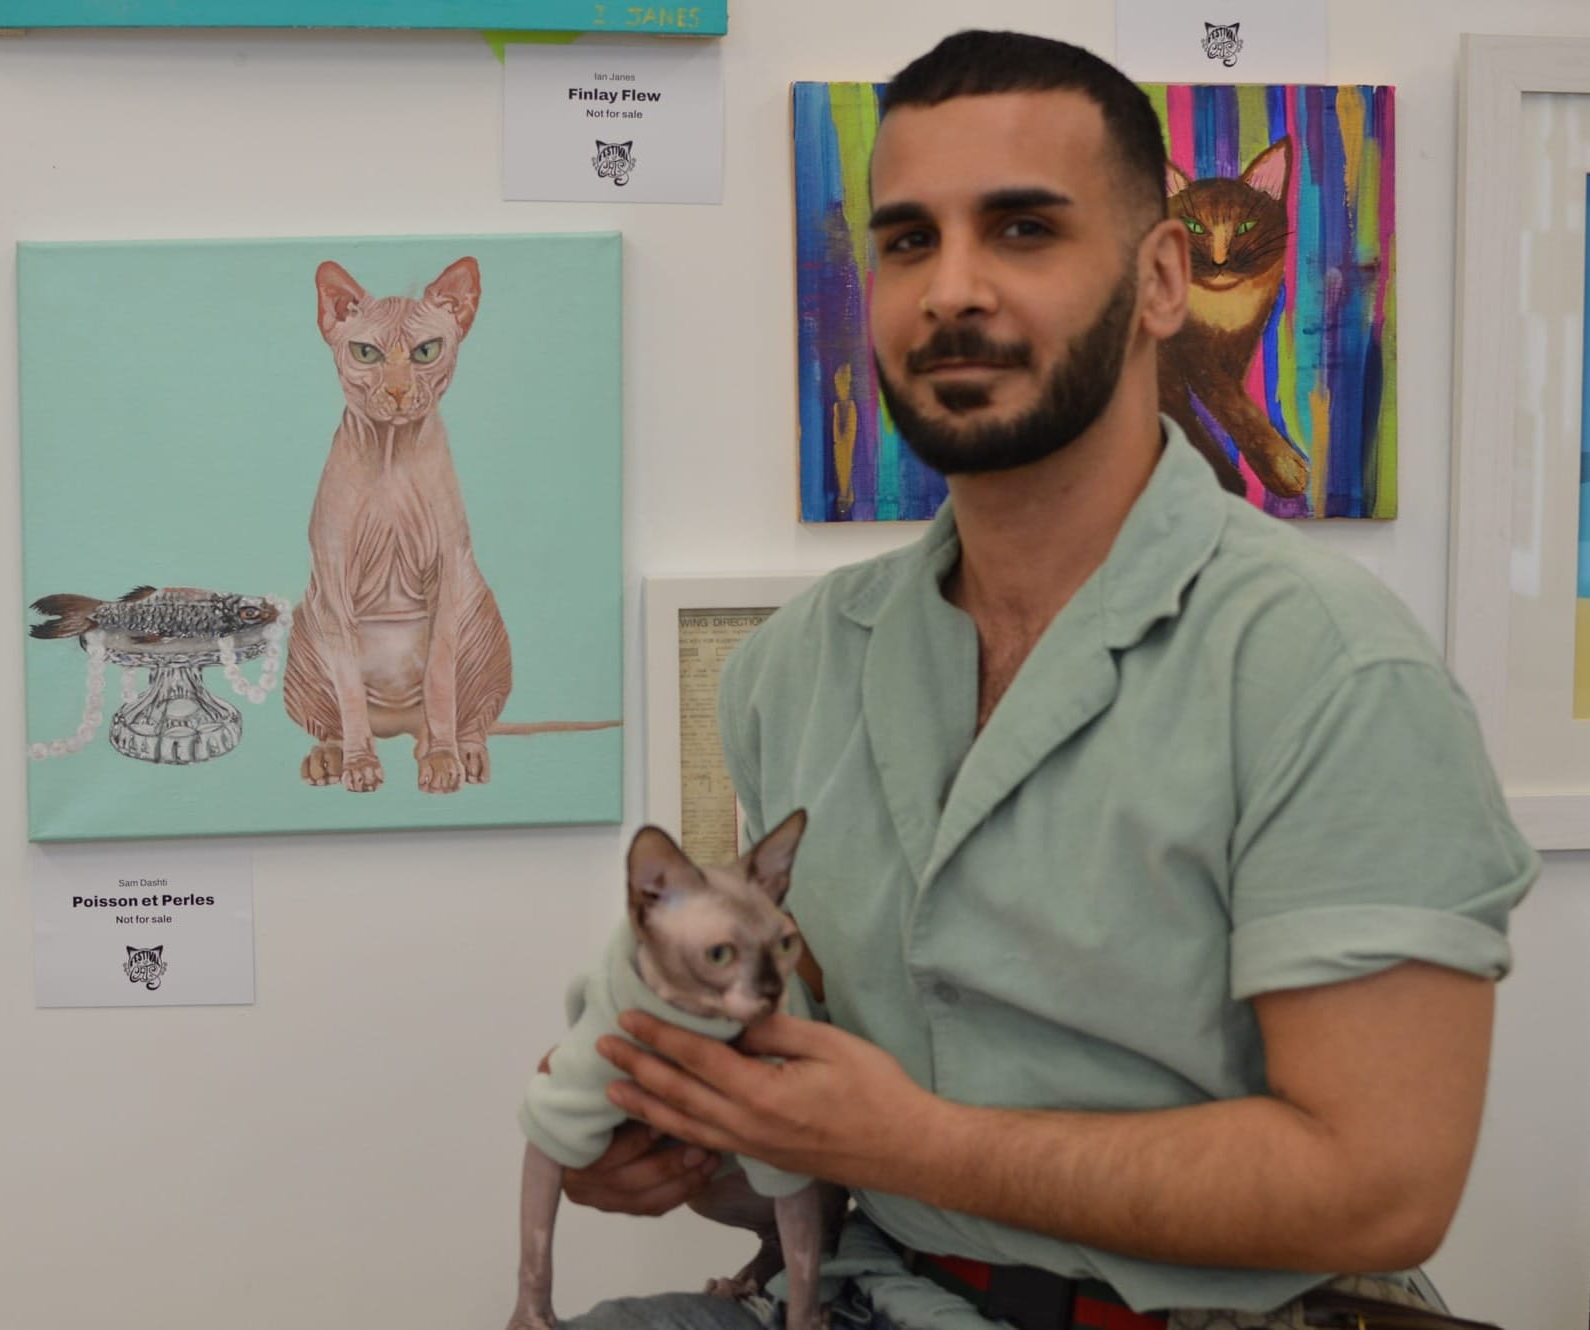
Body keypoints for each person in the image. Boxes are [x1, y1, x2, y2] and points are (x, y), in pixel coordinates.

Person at [554, 28, 1539, 1330]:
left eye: (1022, 230)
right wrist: (689, 1145)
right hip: (873, 1286)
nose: (951, 289)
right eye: (907, 240)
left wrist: (913, 1143)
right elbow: (822, 1093)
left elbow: (1379, 1190)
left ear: (1165, 281)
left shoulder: (1335, 673)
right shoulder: (790, 672)